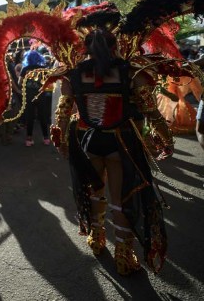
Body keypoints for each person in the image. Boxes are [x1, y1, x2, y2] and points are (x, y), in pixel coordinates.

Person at [52, 29, 169, 276]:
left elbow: (62, 114)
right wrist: (165, 138)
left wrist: (61, 140)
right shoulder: (130, 71)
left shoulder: (72, 74)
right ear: (115, 46)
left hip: (87, 141)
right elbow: (151, 111)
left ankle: (97, 239)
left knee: (95, 193)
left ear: (85, 49)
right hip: (119, 142)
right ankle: (124, 256)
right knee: (120, 198)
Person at [18, 49, 51, 146]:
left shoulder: (25, 69)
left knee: (30, 117)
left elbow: (20, 82)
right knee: (43, 116)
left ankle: (29, 139)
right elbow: (48, 82)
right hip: (41, 95)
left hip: (29, 95)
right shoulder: (43, 68)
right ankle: (46, 138)